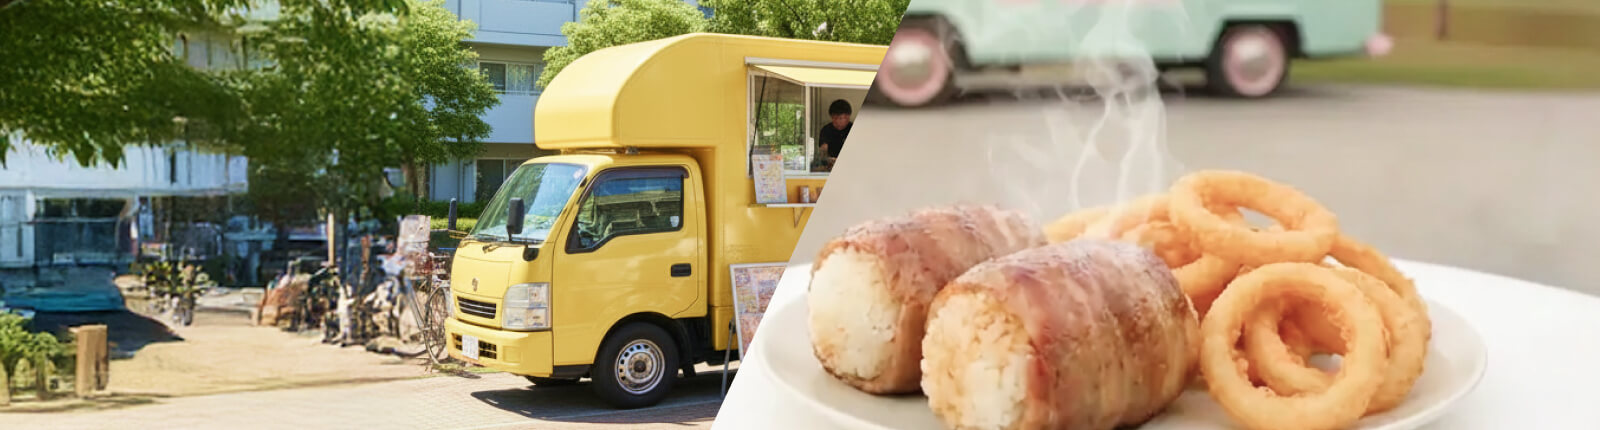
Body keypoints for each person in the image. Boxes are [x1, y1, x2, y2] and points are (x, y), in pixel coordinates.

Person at [815, 99, 853, 171]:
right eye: (834, 118)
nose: (836, 121)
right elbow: (823, 151)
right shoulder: (826, 130)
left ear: (848, 117)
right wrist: (827, 159)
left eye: (840, 118)